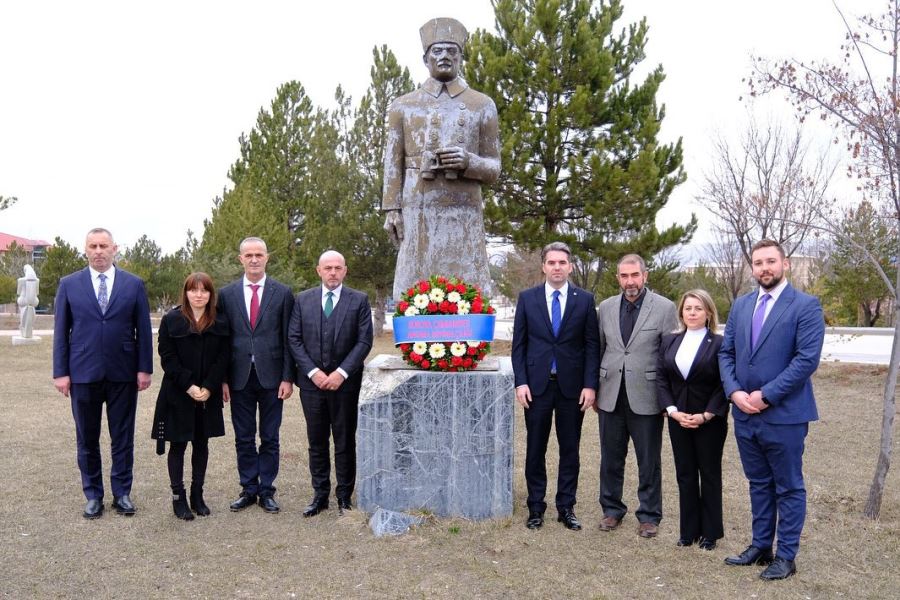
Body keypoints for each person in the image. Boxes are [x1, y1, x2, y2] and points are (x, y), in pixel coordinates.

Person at [719, 239, 825, 580]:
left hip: (784, 414)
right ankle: (761, 545)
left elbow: (806, 360)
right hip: (743, 414)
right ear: (752, 267)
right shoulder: (741, 305)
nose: (764, 268)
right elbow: (727, 354)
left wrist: (766, 396)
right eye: (758, 262)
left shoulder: (805, 306)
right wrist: (734, 392)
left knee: (788, 485)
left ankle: (786, 556)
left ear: (785, 264)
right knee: (758, 482)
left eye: (770, 261)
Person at [382, 16, 500, 299]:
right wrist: (391, 210)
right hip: (417, 207)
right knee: (415, 287)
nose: (445, 56)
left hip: (464, 211)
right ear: (426, 58)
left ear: (461, 57)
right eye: (437, 50)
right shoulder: (403, 105)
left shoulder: (481, 104)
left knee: (467, 288)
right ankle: (418, 343)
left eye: (452, 51)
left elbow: (494, 168)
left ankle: (467, 342)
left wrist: (468, 162)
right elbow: (391, 163)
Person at [52, 227, 153, 519]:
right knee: (87, 437)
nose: (98, 251)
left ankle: (122, 493)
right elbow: (61, 333)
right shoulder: (69, 284)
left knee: (122, 436)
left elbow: (143, 331)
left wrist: (144, 368)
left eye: (103, 246)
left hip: (123, 373)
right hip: (83, 373)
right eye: (93, 246)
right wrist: (61, 372)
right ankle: (93, 494)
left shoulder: (134, 285)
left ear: (114, 249)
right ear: (86, 250)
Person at [511, 242, 599, 531]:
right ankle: (536, 507)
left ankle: (566, 506)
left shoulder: (584, 300)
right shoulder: (528, 298)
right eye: (552, 262)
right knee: (535, 448)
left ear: (570, 266)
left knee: (569, 449)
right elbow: (519, 345)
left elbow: (591, 345)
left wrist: (590, 385)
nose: (557, 267)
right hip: (536, 387)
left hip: (572, 389)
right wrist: (521, 382)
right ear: (543, 267)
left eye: (562, 262)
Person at [596, 254, 677, 538]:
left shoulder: (665, 308)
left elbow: (670, 356)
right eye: (624, 276)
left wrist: (670, 400)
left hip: (648, 396)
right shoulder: (605, 308)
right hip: (610, 394)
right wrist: (594, 389)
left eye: (634, 275)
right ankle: (611, 509)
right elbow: (600, 349)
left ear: (645, 276)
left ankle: (649, 515)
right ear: (618, 278)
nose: (629, 281)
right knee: (610, 457)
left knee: (649, 460)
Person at [288, 250, 373, 517]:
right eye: (328, 268)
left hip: (345, 386)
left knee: (345, 440)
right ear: (319, 271)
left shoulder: (359, 300)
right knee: (317, 441)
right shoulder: (302, 300)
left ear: (345, 271)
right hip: (312, 386)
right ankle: (320, 495)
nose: (333, 272)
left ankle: (344, 497)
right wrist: (313, 372)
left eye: (338, 268)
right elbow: (294, 339)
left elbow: (364, 341)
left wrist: (341, 373)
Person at [217, 237, 295, 514]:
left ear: (267, 258)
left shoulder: (282, 293)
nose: (253, 259)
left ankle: (267, 491)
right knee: (244, 436)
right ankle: (248, 488)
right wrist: (223, 379)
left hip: (273, 377)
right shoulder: (226, 295)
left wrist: (288, 377)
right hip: (239, 377)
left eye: (258, 254)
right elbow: (221, 340)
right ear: (240, 259)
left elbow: (289, 338)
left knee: (270, 436)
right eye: (248, 254)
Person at [151, 273, 230, 520]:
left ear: (210, 294)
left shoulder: (220, 321)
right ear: (186, 293)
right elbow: (167, 356)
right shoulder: (172, 320)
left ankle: (197, 494)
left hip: (208, 394)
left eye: (204, 291)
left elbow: (224, 358)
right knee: (178, 445)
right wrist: (189, 386)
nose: (199, 295)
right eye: (193, 290)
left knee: (202, 443)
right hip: (178, 393)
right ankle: (179, 497)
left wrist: (208, 386)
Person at [657, 290, 727, 550]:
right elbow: (662, 378)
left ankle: (710, 533)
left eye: (698, 308)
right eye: (688, 308)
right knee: (685, 474)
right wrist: (673, 411)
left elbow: (724, 383)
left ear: (708, 312)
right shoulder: (669, 341)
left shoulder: (719, 343)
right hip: (678, 418)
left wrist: (706, 414)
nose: (693, 313)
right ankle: (688, 531)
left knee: (708, 474)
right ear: (681, 312)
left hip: (709, 419)